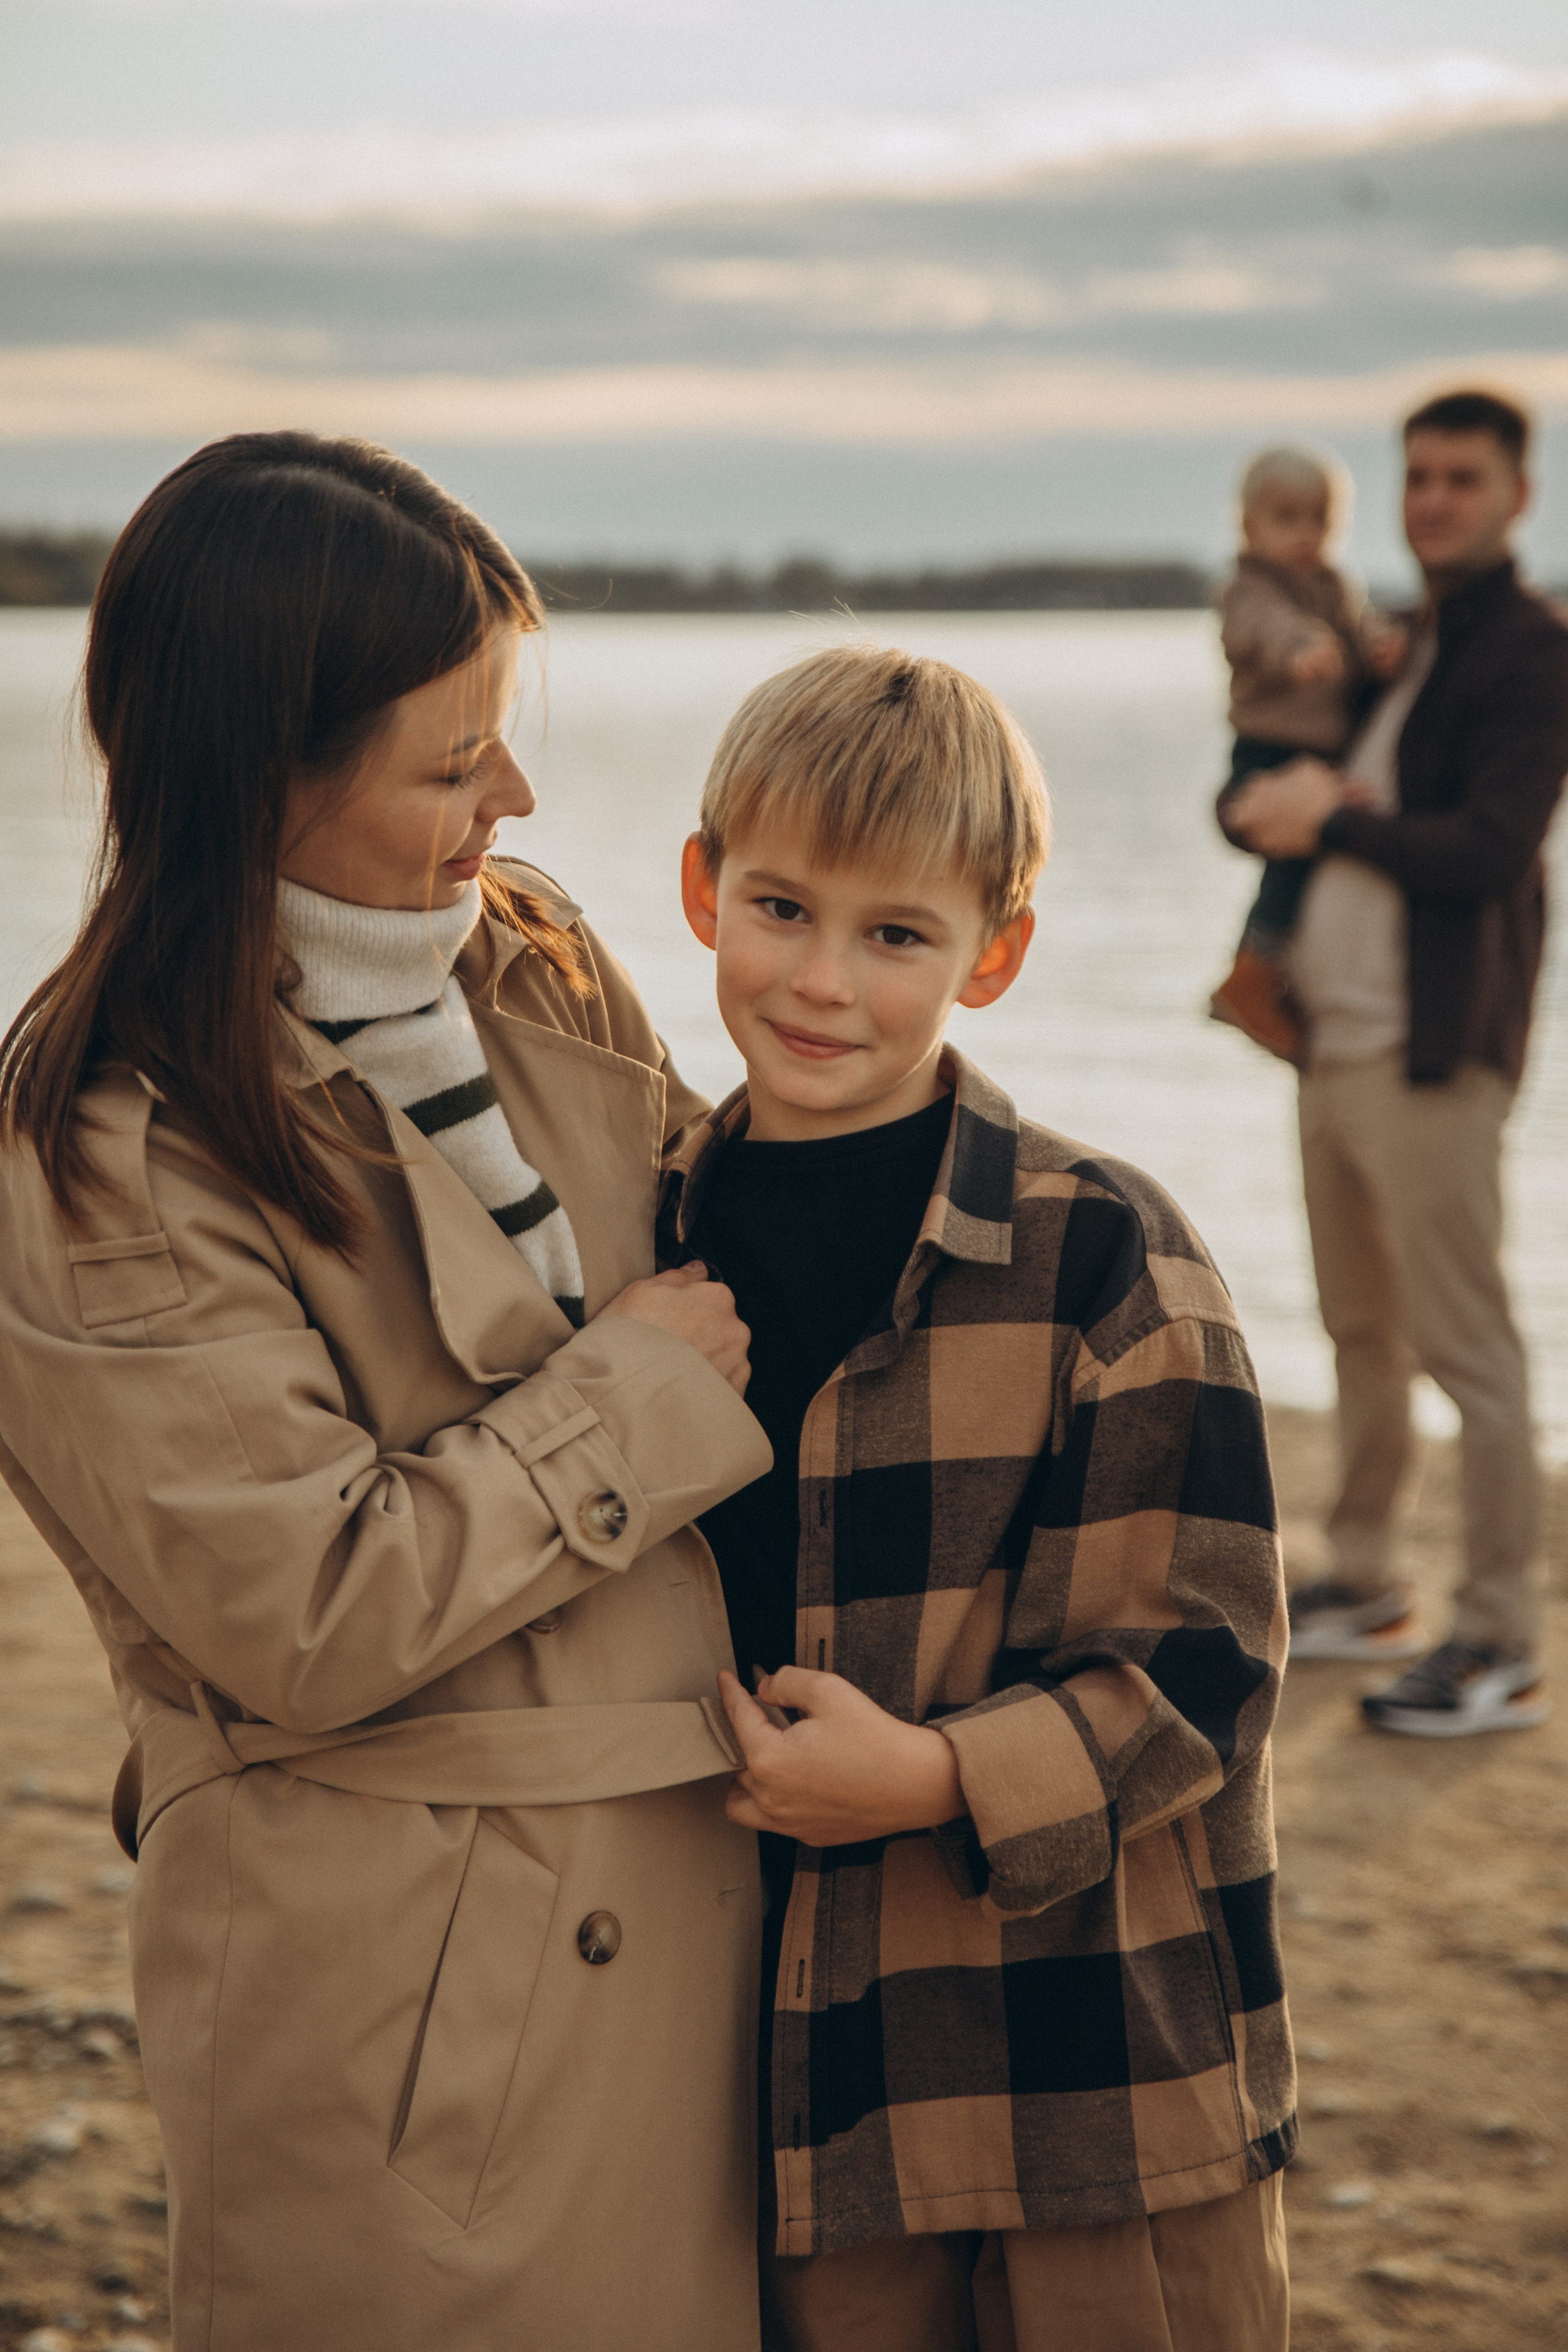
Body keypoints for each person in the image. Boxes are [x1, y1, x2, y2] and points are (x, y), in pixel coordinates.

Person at [0, 432, 775, 2351]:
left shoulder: (537, 957)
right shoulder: (101, 1151)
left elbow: (735, 1266)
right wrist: (629, 1400)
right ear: (267, 765)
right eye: (452, 761)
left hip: (717, 1907)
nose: (512, 796)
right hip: (416, 2003)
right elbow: (310, 1609)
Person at [665, 645, 1294, 2352]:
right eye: (782, 907)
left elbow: (1211, 1675)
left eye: (897, 935)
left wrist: (937, 1774)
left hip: (1090, 2097)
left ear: (994, 954)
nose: (821, 982)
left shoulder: (1107, 1255)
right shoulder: (645, 1243)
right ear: (701, 888)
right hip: (797, 2110)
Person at [1226, 388, 1568, 1735]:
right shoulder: (1392, 643)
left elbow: (1487, 848)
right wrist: (1263, 806)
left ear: (1513, 497)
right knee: (1356, 1333)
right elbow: (1273, 770)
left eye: (1460, 480)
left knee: (1467, 1353)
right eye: (1417, 477)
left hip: (1435, 1057)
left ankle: (1496, 1639)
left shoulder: (1531, 651)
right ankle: (1367, 1582)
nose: (1432, 501)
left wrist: (1330, 823)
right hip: (1328, 1047)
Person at [1209, 446, 1406, 1063]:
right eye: (1286, 518)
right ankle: (1252, 969)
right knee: (1290, 861)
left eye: (1319, 520)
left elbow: (1358, 630)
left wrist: (1377, 646)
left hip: (1323, 752)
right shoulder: (1248, 587)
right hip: (1269, 748)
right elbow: (1259, 627)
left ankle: (1278, 968)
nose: (1305, 534)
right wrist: (1297, 647)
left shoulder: (1338, 586)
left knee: (1310, 865)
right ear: (1249, 526)